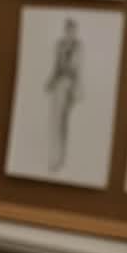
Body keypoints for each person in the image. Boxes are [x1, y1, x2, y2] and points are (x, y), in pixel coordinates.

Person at [45, 18, 82, 172]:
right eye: (68, 29)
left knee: (64, 124)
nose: (70, 32)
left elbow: (77, 70)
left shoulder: (78, 47)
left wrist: (75, 89)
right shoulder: (59, 45)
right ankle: (54, 158)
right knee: (55, 122)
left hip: (69, 87)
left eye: (72, 30)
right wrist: (51, 81)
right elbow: (56, 66)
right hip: (58, 86)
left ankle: (62, 159)